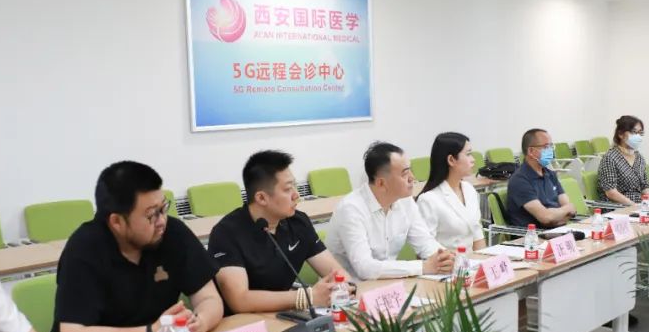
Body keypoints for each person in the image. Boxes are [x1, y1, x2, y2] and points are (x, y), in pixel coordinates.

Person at [50, 161, 223, 332]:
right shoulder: (84, 248)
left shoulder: (172, 233)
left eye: (163, 208)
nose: (162, 221)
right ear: (117, 221)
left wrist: (200, 322)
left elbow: (209, 297)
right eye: (151, 215)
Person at [208, 150, 346, 313]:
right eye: (287, 189)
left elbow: (335, 273)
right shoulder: (226, 233)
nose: (296, 195)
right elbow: (240, 300)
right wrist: (306, 297)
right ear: (261, 198)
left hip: (284, 316)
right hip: (244, 323)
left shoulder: (298, 222)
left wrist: (345, 287)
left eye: (295, 185)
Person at [326, 142, 454, 280]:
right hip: (349, 287)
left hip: (388, 282)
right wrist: (423, 267)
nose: (412, 178)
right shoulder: (351, 209)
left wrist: (444, 257)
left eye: (410, 170)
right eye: (405, 174)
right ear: (381, 183)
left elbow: (424, 242)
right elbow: (365, 268)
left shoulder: (405, 201)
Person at [415, 132, 487, 251]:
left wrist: (484, 259)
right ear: (451, 160)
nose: (473, 159)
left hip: (471, 261)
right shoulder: (428, 200)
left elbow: (477, 233)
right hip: (447, 262)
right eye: (468, 154)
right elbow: (425, 248)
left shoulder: (469, 189)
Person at [505, 128, 576, 227]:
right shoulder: (519, 180)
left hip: (559, 229)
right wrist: (559, 213)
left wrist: (555, 214)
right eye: (546, 147)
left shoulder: (550, 174)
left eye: (551, 146)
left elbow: (571, 210)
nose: (550, 150)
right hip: (535, 234)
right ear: (531, 151)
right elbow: (545, 218)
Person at [597, 115, 649, 205]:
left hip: (639, 205)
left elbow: (644, 185)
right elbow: (611, 192)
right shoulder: (610, 157)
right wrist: (633, 205)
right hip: (618, 206)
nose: (638, 136)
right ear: (620, 134)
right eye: (634, 132)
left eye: (640, 133)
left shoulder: (639, 157)